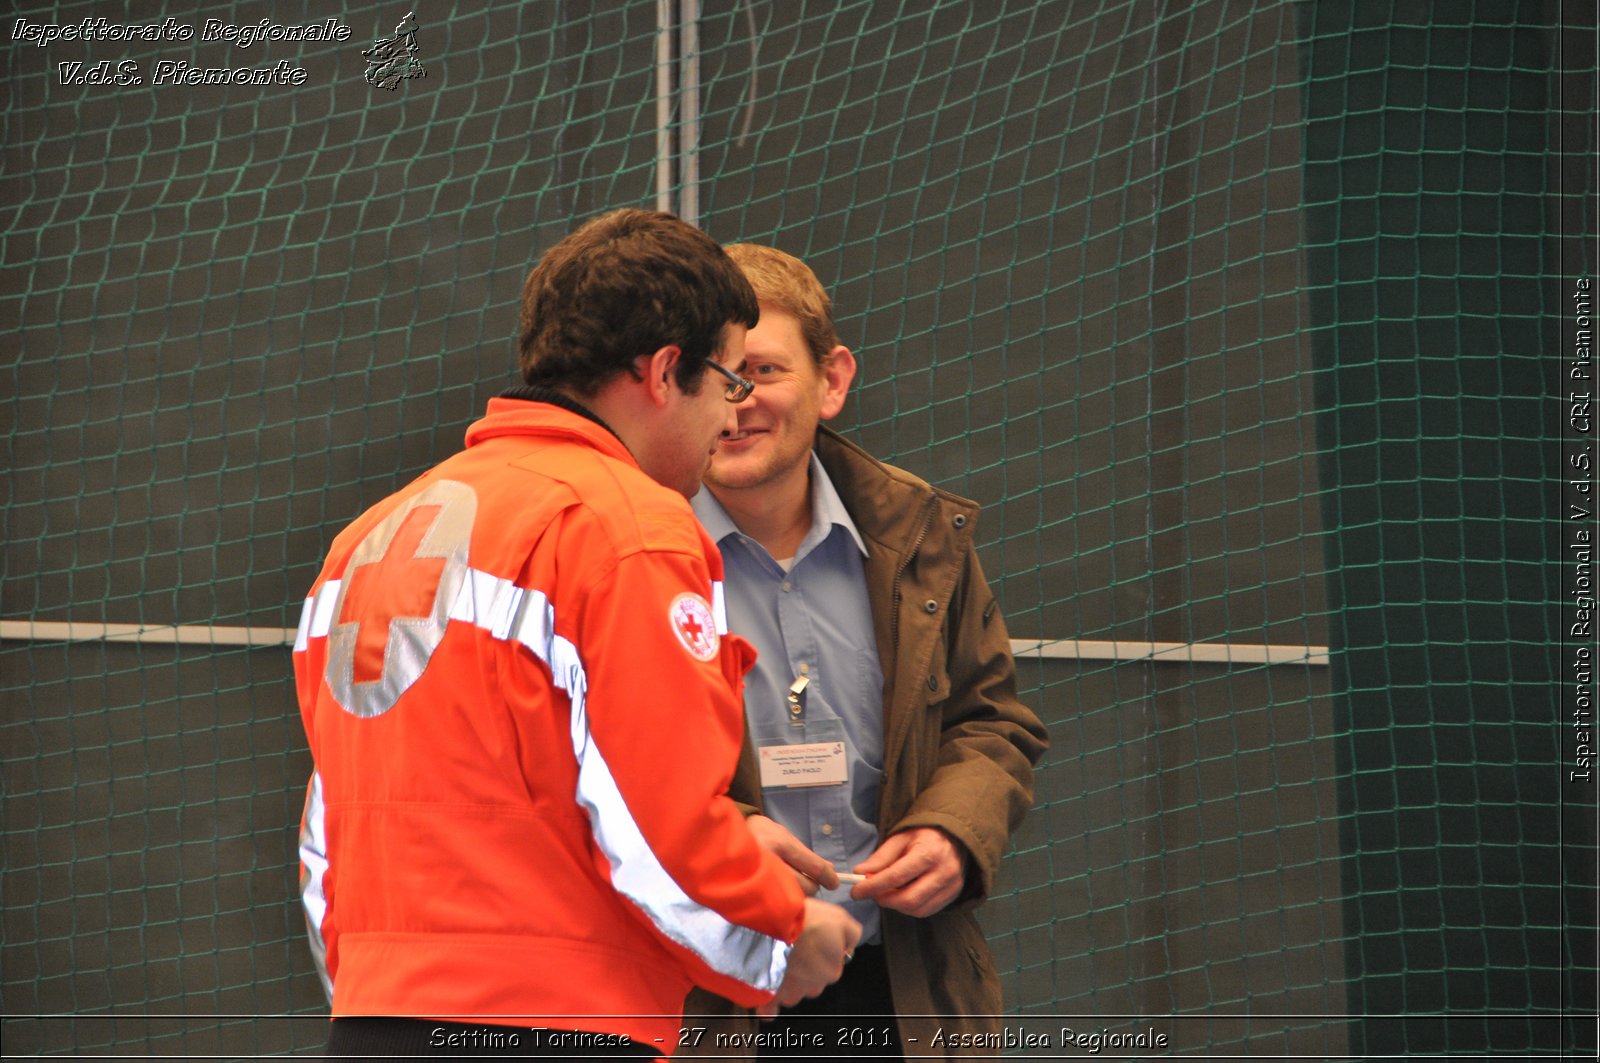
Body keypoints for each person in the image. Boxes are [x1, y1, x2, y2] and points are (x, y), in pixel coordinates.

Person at [293, 211, 861, 1058]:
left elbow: (327, 827)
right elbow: (651, 820)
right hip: (562, 1018)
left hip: (374, 1016)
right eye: (727, 380)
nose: (730, 416)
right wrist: (781, 936)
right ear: (667, 371)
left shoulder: (366, 542)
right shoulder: (628, 528)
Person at [682, 245, 1050, 1059]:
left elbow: (993, 721)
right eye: (715, 376)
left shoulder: (919, 536)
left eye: (763, 370)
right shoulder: (637, 551)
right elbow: (599, 760)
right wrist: (733, 843)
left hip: (909, 988)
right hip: (715, 997)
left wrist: (956, 832)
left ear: (834, 379)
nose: (737, 403)